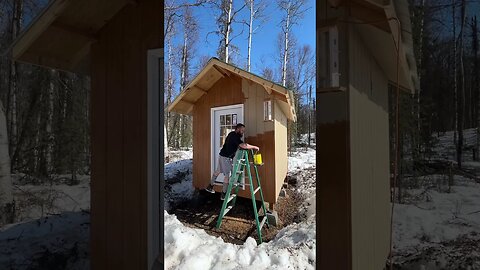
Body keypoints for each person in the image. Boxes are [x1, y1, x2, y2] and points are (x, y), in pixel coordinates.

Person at [205, 123, 259, 200]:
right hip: (226, 158)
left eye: (243, 131)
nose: (243, 132)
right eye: (242, 130)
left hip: (222, 155)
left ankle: (210, 186)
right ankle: (223, 194)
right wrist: (254, 147)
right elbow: (244, 145)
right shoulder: (235, 136)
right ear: (237, 129)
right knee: (227, 175)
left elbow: (235, 145)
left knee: (218, 171)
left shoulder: (232, 134)